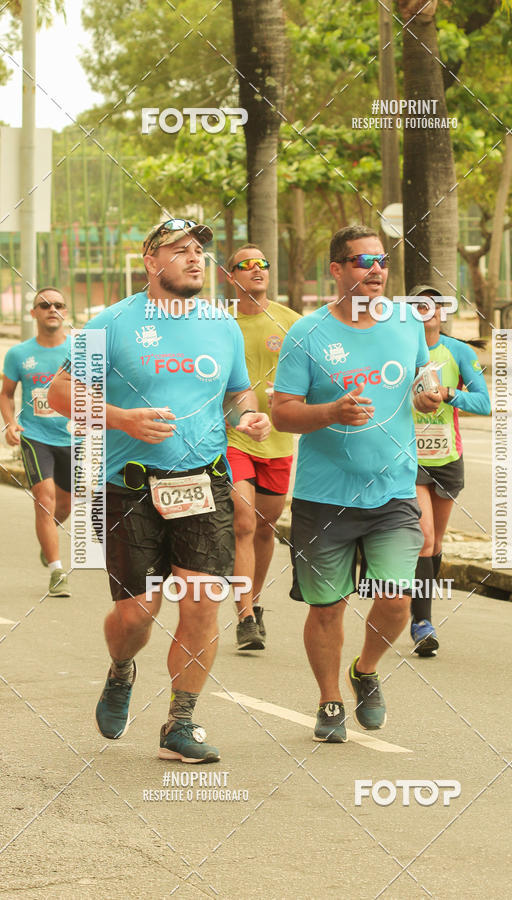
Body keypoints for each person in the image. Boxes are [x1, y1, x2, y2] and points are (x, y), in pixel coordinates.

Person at [48, 219, 270, 763]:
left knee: (201, 602)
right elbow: (57, 393)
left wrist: (251, 416)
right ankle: (122, 668)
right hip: (129, 488)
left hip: (204, 480)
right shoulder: (115, 323)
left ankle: (182, 719)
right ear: (151, 261)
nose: (195, 259)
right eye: (180, 250)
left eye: (199, 251)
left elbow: (238, 391)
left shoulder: (221, 326)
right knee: (136, 616)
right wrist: (122, 419)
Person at [271, 225, 441, 744]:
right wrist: (330, 411)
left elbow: (420, 381)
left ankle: (365, 670)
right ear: (337, 270)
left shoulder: (406, 324)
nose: (375, 270)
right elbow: (282, 414)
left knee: (396, 597)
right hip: (324, 497)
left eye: (382, 261)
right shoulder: (307, 333)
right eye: (362, 261)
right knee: (327, 607)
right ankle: (328, 699)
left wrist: (427, 396)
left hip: (393, 489)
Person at [225, 244, 301, 651]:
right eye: (246, 265)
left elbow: (315, 375)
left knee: (266, 528)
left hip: (278, 440)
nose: (256, 269)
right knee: (243, 520)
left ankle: (255, 601)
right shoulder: (221, 324)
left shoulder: (291, 321)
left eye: (263, 264)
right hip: (235, 436)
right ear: (230, 276)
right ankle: (244, 617)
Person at [409, 284, 491, 657]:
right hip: (409, 458)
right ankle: (421, 623)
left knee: (437, 542)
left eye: (435, 304)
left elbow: (484, 402)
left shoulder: (458, 351)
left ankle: (421, 606)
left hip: (447, 457)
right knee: (424, 538)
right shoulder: (396, 347)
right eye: (419, 303)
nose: (428, 309)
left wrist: (448, 394)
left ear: (443, 312)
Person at [1, 287, 72, 597]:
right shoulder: (19, 354)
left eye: (57, 305)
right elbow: (5, 393)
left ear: (65, 312)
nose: (51, 309)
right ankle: (57, 571)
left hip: (72, 437)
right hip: (35, 436)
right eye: (44, 305)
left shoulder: (77, 352)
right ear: (34, 313)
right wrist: (11, 423)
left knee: (65, 503)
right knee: (44, 499)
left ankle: (48, 541)